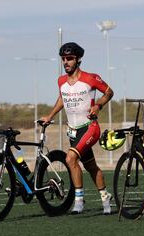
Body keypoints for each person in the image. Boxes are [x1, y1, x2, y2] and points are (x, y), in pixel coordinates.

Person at [41, 42, 114, 215]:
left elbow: (109, 92)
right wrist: (50, 116)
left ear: (78, 59)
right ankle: (105, 197)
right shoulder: (61, 81)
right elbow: (62, 98)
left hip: (90, 128)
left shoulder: (90, 78)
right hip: (73, 130)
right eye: (63, 59)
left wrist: (98, 106)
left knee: (71, 158)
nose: (66, 62)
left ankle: (79, 200)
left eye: (70, 58)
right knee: (90, 167)